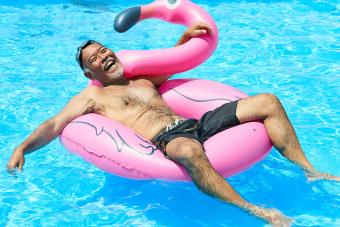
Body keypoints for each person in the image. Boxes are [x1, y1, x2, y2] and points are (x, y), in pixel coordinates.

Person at [7, 22, 339, 226]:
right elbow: (54, 124)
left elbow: (177, 59)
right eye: (95, 58)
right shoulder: (92, 98)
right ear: (89, 73)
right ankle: (254, 210)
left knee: (268, 100)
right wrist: (23, 148)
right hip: (166, 137)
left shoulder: (143, 80)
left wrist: (186, 35)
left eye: (105, 50)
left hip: (195, 121)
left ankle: (309, 169)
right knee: (188, 150)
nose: (104, 56)